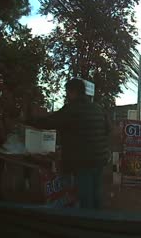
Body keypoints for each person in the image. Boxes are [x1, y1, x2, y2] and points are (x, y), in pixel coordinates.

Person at [30, 78, 110, 209]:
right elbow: (108, 129)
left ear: (73, 92)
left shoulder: (72, 108)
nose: (66, 95)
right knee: (96, 194)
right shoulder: (98, 108)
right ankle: (98, 220)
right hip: (100, 158)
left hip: (83, 159)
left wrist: (30, 122)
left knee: (86, 197)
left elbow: (50, 122)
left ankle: (87, 224)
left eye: (67, 92)